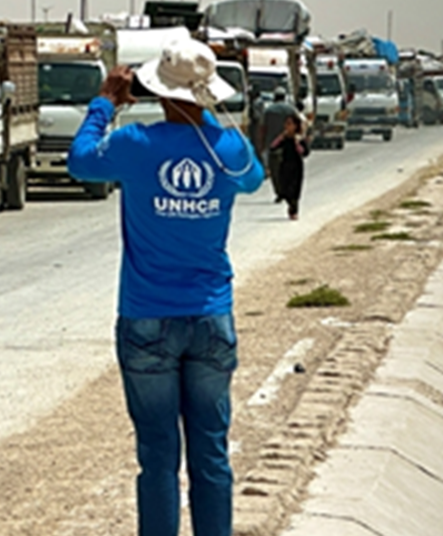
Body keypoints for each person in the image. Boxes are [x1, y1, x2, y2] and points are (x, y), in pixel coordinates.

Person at [67, 40, 265, 536]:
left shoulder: (136, 144)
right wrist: (208, 119)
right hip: (211, 318)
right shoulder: (229, 151)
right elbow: (255, 177)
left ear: (157, 91)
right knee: (211, 456)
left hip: (147, 317)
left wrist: (105, 101)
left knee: (158, 457)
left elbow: (81, 160)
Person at [259, 87, 300, 203]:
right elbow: (299, 124)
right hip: (288, 144)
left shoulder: (268, 110)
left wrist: (261, 143)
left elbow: (263, 128)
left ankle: (279, 192)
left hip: (272, 144)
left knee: (274, 170)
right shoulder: (291, 109)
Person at [273, 113, 310, 220]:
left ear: (295, 126)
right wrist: (280, 138)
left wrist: (297, 143)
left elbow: (305, 152)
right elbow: (273, 147)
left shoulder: (300, 138)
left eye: (290, 124)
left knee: (294, 190)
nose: (287, 126)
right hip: (285, 165)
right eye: (286, 124)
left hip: (296, 167)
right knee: (283, 188)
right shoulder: (284, 138)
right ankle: (290, 205)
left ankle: (294, 210)